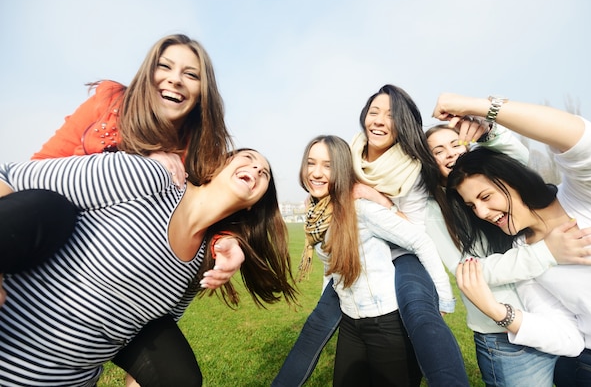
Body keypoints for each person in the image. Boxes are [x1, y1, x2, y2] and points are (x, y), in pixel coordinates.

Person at [12, 33, 243, 386]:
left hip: (123, 280)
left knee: (179, 378)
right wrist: (131, 163)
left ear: (202, 92)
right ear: (147, 73)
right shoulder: (110, 105)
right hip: (66, 248)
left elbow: (206, 206)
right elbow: (37, 174)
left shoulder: (199, 152)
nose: (175, 79)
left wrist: (224, 242)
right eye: (164, 66)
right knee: (47, 207)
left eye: (191, 74)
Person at [0, 147, 297, 386]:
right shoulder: (152, 180)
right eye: (247, 158)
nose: (257, 169)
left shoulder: (206, 260)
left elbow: (156, 330)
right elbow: (10, 176)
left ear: (253, 204)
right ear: (217, 165)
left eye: (265, 173)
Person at [274, 85, 469, 387]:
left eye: (389, 115)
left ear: (402, 124)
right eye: (373, 112)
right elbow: (333, 254)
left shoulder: (408, 171)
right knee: (316, 332)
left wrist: (379, 199)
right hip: (354, 293)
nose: (377, 120)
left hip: (398, 266)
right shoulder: (350, 154)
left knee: (422, 318)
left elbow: (416, 237)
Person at [433, 93, 591, 386]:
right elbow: (568, 337)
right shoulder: (524, 256)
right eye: (473, 207)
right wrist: (499, 312)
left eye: (486, 197)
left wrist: (481, 109)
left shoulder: (589, 195)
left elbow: (587, 141)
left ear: (513, 179)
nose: (483, 212)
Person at [298, 135, 456, 385]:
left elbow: (420, 241)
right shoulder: (319, 215)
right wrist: (324, 308)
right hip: (350, 322)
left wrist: (444, 298)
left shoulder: (362, 209)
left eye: (327, 165)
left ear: (341, 168)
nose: (316, 173)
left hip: (386, 322)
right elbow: (332, 268)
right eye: (311, 163)